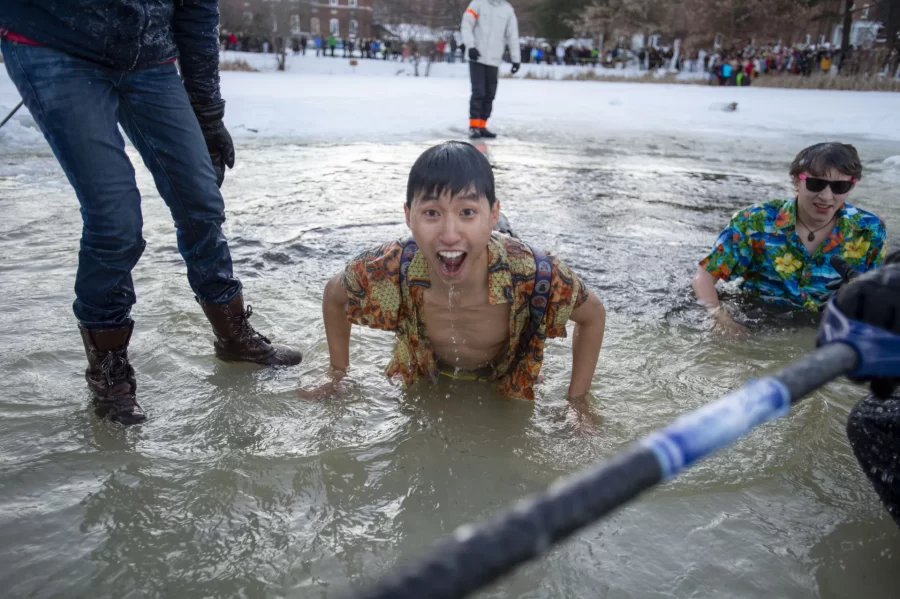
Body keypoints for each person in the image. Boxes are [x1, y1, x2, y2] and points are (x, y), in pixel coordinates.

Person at [0, 0, 302, 426]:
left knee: (201, 200)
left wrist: (207, 112)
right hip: (53, 42)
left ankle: (234, 336)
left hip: (148, 58)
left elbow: (196, 11)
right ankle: (109, 368)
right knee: (115, 219)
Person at [308, 142, 606, 427]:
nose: (450, 234)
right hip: (426, 370)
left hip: (505, 373)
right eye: (431, 213)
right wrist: (337, 372)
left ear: (493, 214)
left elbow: (593, 316)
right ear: (408, 216)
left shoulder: (534, 275)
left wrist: (577, 401)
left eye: (467, 212)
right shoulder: (389, 266)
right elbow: (334, 295)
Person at [692, 142, 886, 337]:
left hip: (826, 323)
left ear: (852, 185)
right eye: (816, 184)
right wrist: (718, 316)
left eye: (840, 187)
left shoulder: (869, 229)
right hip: (759, 316)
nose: (826, 196)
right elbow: (705, 277)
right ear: (796, 181)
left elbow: (878, 293)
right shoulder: (754, 221)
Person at [461, 0, 522, 140]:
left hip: (494, 59)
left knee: (490, 94)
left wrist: (516, 59)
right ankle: (473, 126)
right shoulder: (477, 4)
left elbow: (512, 36)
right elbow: (466, 24)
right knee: (478, 92)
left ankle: (482, 125)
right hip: (477, 56)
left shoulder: (507, 10)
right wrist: (470, 46)